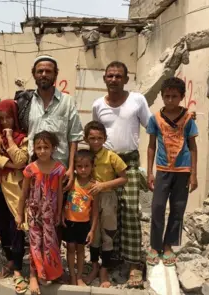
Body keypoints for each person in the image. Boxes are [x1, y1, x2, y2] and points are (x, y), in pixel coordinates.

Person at [91, 61, 151, 287]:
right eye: (110, 76)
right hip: (105, 164)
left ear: (126, 79)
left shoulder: (137, 100)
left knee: (130, 213)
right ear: (105, 79)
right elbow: (95, 134)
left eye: (119, 76)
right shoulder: (98, 105)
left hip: (129, 163)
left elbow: (152, 128)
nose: (114, 79)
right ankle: (112, 258)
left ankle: (134, 263)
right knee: (108, 211)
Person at [0, 55, 83, 191]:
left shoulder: (67, 101)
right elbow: (10, 124)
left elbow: (74, 137)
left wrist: (71, 168)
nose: (44, 74)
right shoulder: (25, 102)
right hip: (32, 171)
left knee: (58, 210)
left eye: (48, 71)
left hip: (60, 173)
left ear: (56, 74)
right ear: (34, 74)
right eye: (40, 71)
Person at [146, 77, 198, 267]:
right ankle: (155, 245)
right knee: (158, 207)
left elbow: (193, 147)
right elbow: (151, 146)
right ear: (161, 96)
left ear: (182, 97)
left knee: (177, 208)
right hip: (162, 169)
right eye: (166, 96)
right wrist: (150, 172)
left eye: (174, 96)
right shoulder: (155, 119)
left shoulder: (188, 119)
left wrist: (193, 174)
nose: (170, 100)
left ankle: (168, 246)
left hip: (183, 170)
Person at [16, 131, 66, 295]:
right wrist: (19, 214)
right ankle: (33, 275)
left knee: (50, 243)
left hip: (50, 215)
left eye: (46, 147)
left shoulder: (59, 169)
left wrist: (59, 213)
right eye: (39, 147)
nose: (42, 151)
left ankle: (50, 273)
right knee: (35, 243)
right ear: (34, 149)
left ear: (53, 148)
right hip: (34, 214)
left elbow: (59, 193)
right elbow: (23, 194)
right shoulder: (30, 169)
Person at [0, 99, 29, 293]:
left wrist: (11, 139)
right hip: (0, 189)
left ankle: (19, 268)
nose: (5, 123)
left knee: (17, 227)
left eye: (8, 118)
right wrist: (11, 164)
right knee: (3, 226)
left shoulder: (23, 138)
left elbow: (22, 159)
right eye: (1, 119)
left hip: (16, 191)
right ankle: (10, 260)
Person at [82, 121, 128, 288]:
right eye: (92, 138)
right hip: (89, 199)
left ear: (105, 138)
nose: (95, 141)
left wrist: (103, 185)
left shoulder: (111, 156)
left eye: (99, 138)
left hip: (108, 198)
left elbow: (124, 177)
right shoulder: (84, 156)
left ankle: (104, 270)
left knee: (108, 234)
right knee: (93, 235)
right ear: (86, 139)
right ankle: (94, 266)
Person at [62, 149, 99, 286]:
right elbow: (63, 199)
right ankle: (72, 275)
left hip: (84, 223)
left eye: (86, 166)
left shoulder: (94, 185)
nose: (83, 170)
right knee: (70, 248)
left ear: (92, 166)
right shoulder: (71, 181)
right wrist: (61, 215)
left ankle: (79, 276)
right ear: (75, 167)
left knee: (81, 250)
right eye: (79, 166)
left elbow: (95, 211)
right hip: (69, 222)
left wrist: (92, 230)